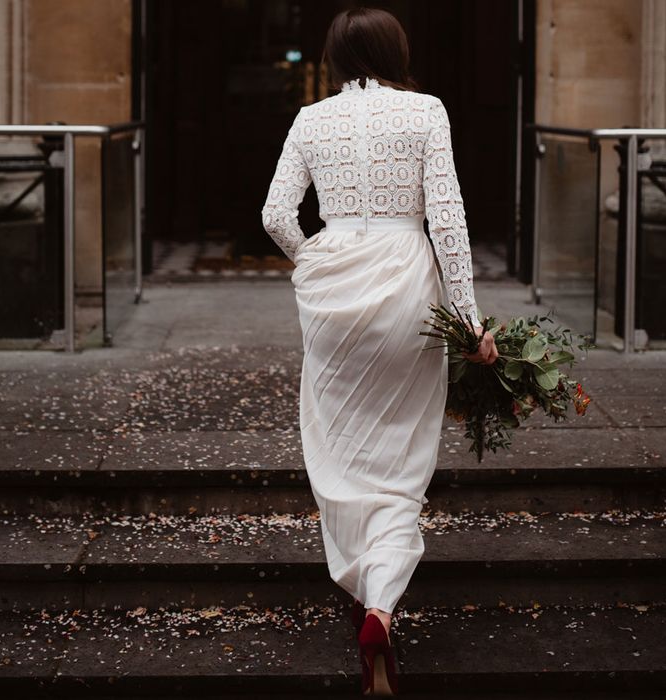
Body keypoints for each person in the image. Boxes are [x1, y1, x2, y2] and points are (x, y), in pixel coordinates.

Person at [261, 6, 497, 696]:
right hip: (404, 281)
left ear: (335, 57)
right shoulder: (426, 111)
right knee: (402, 448)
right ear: (396, 50)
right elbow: (447, 217)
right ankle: (382, 602)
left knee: (340, 440)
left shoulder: (311, 120)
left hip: (332, 282)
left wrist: (312, 263)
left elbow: (275, 215)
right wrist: (470, 322)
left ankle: (364, 578)